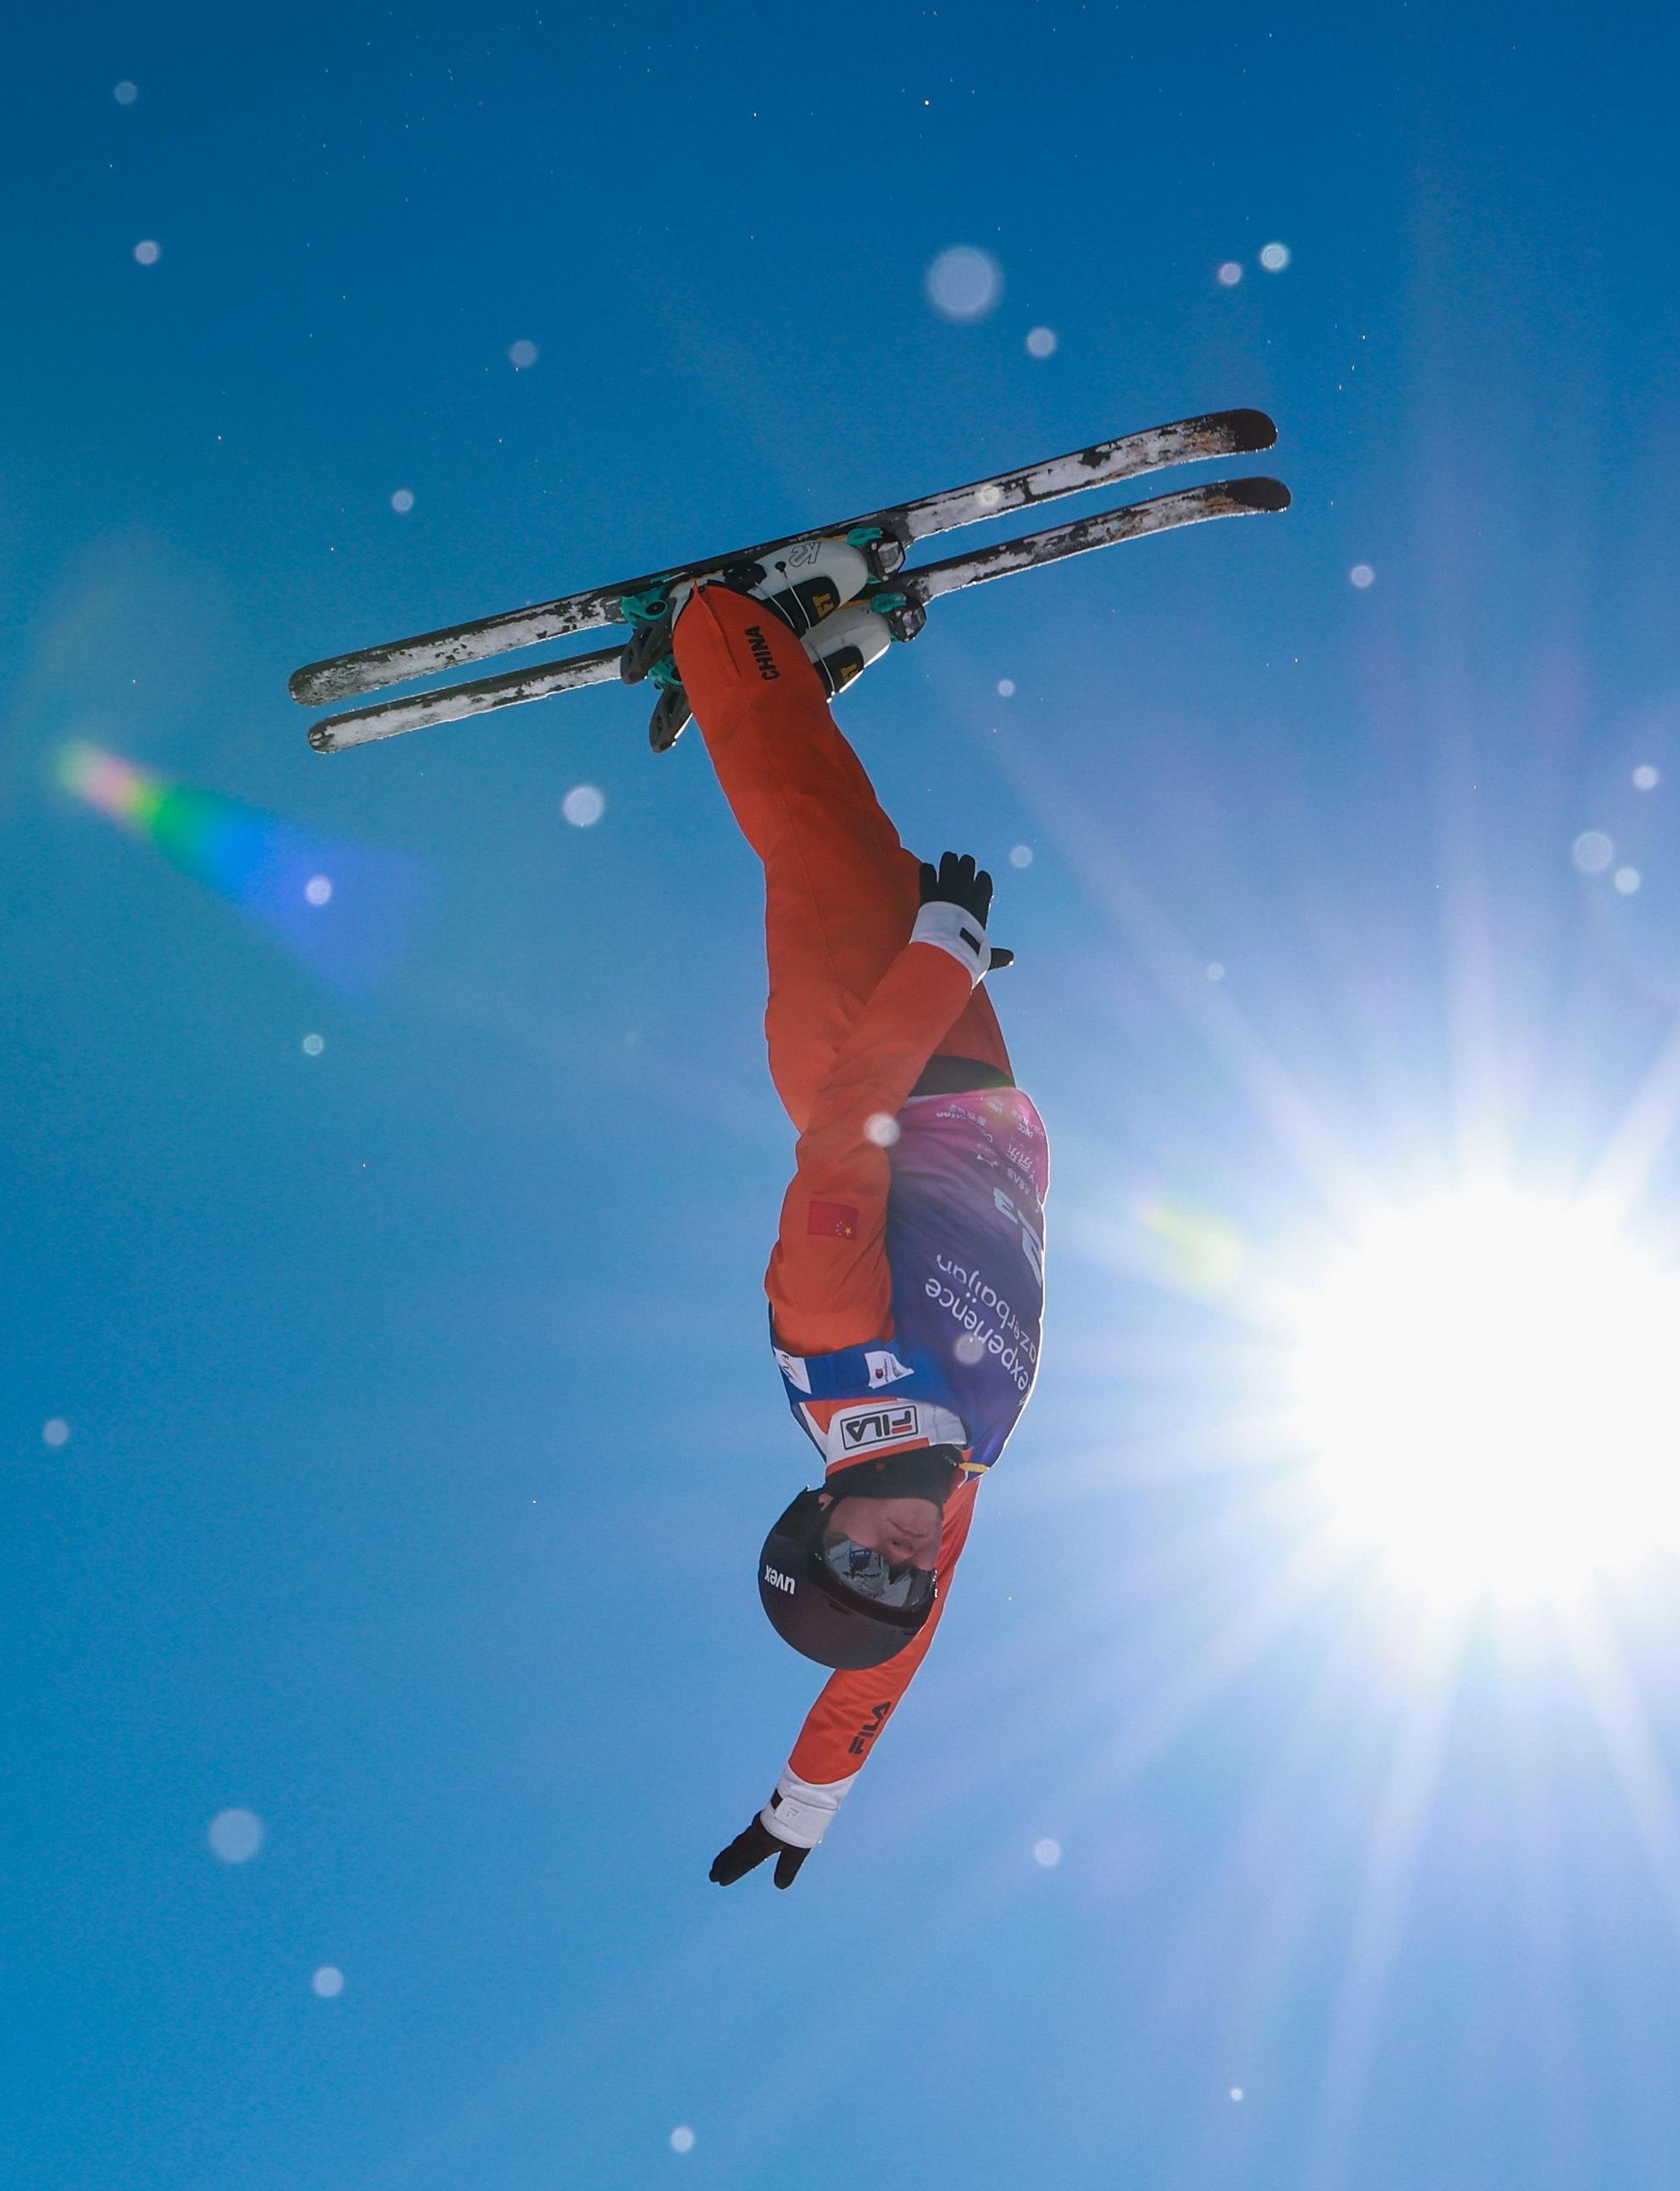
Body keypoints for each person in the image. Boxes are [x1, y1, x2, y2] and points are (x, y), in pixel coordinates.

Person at [628, 539, 1050, 1893]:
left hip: (871, 1048)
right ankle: (796, 663)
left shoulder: (836, 1342)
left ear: (817, 1519)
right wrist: (806, 1805)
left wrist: (933, 958)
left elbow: (845, 1132)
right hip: (977, 1085)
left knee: (799, 822)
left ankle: (727, 618)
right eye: (897, 1588)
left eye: (859, 1566)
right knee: (849, 829)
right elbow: (891, 1674)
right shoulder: (952, 1479)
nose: (901, 1569)